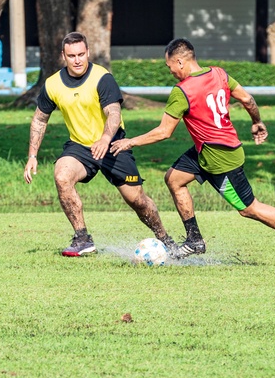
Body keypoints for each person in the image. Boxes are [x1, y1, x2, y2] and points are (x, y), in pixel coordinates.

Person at [110, 38, 275, 264]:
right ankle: (194, 240)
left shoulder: (181, 91)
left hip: (221, 160)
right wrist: (257, 121)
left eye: (169, 65)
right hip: (206, 151)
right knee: (173, 179)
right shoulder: (220, 74)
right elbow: (248, 99)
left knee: (250, 209)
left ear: (180, 62)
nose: (170, 71)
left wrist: (130, 142)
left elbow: (164, 132)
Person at [23, 31, 175, 256]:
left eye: (81, 54)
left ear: (88, 53)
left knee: (137, 200)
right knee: (62, 175)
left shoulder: (102, 77)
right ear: (63, 56)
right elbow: (39, 119)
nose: (77, 60)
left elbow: (113, 112)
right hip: (80, 147)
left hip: (113, 144)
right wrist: (32, 156)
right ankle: (82, 238)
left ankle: (165, 239)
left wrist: (105, 138)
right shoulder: (53, 84)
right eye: (72, 55)